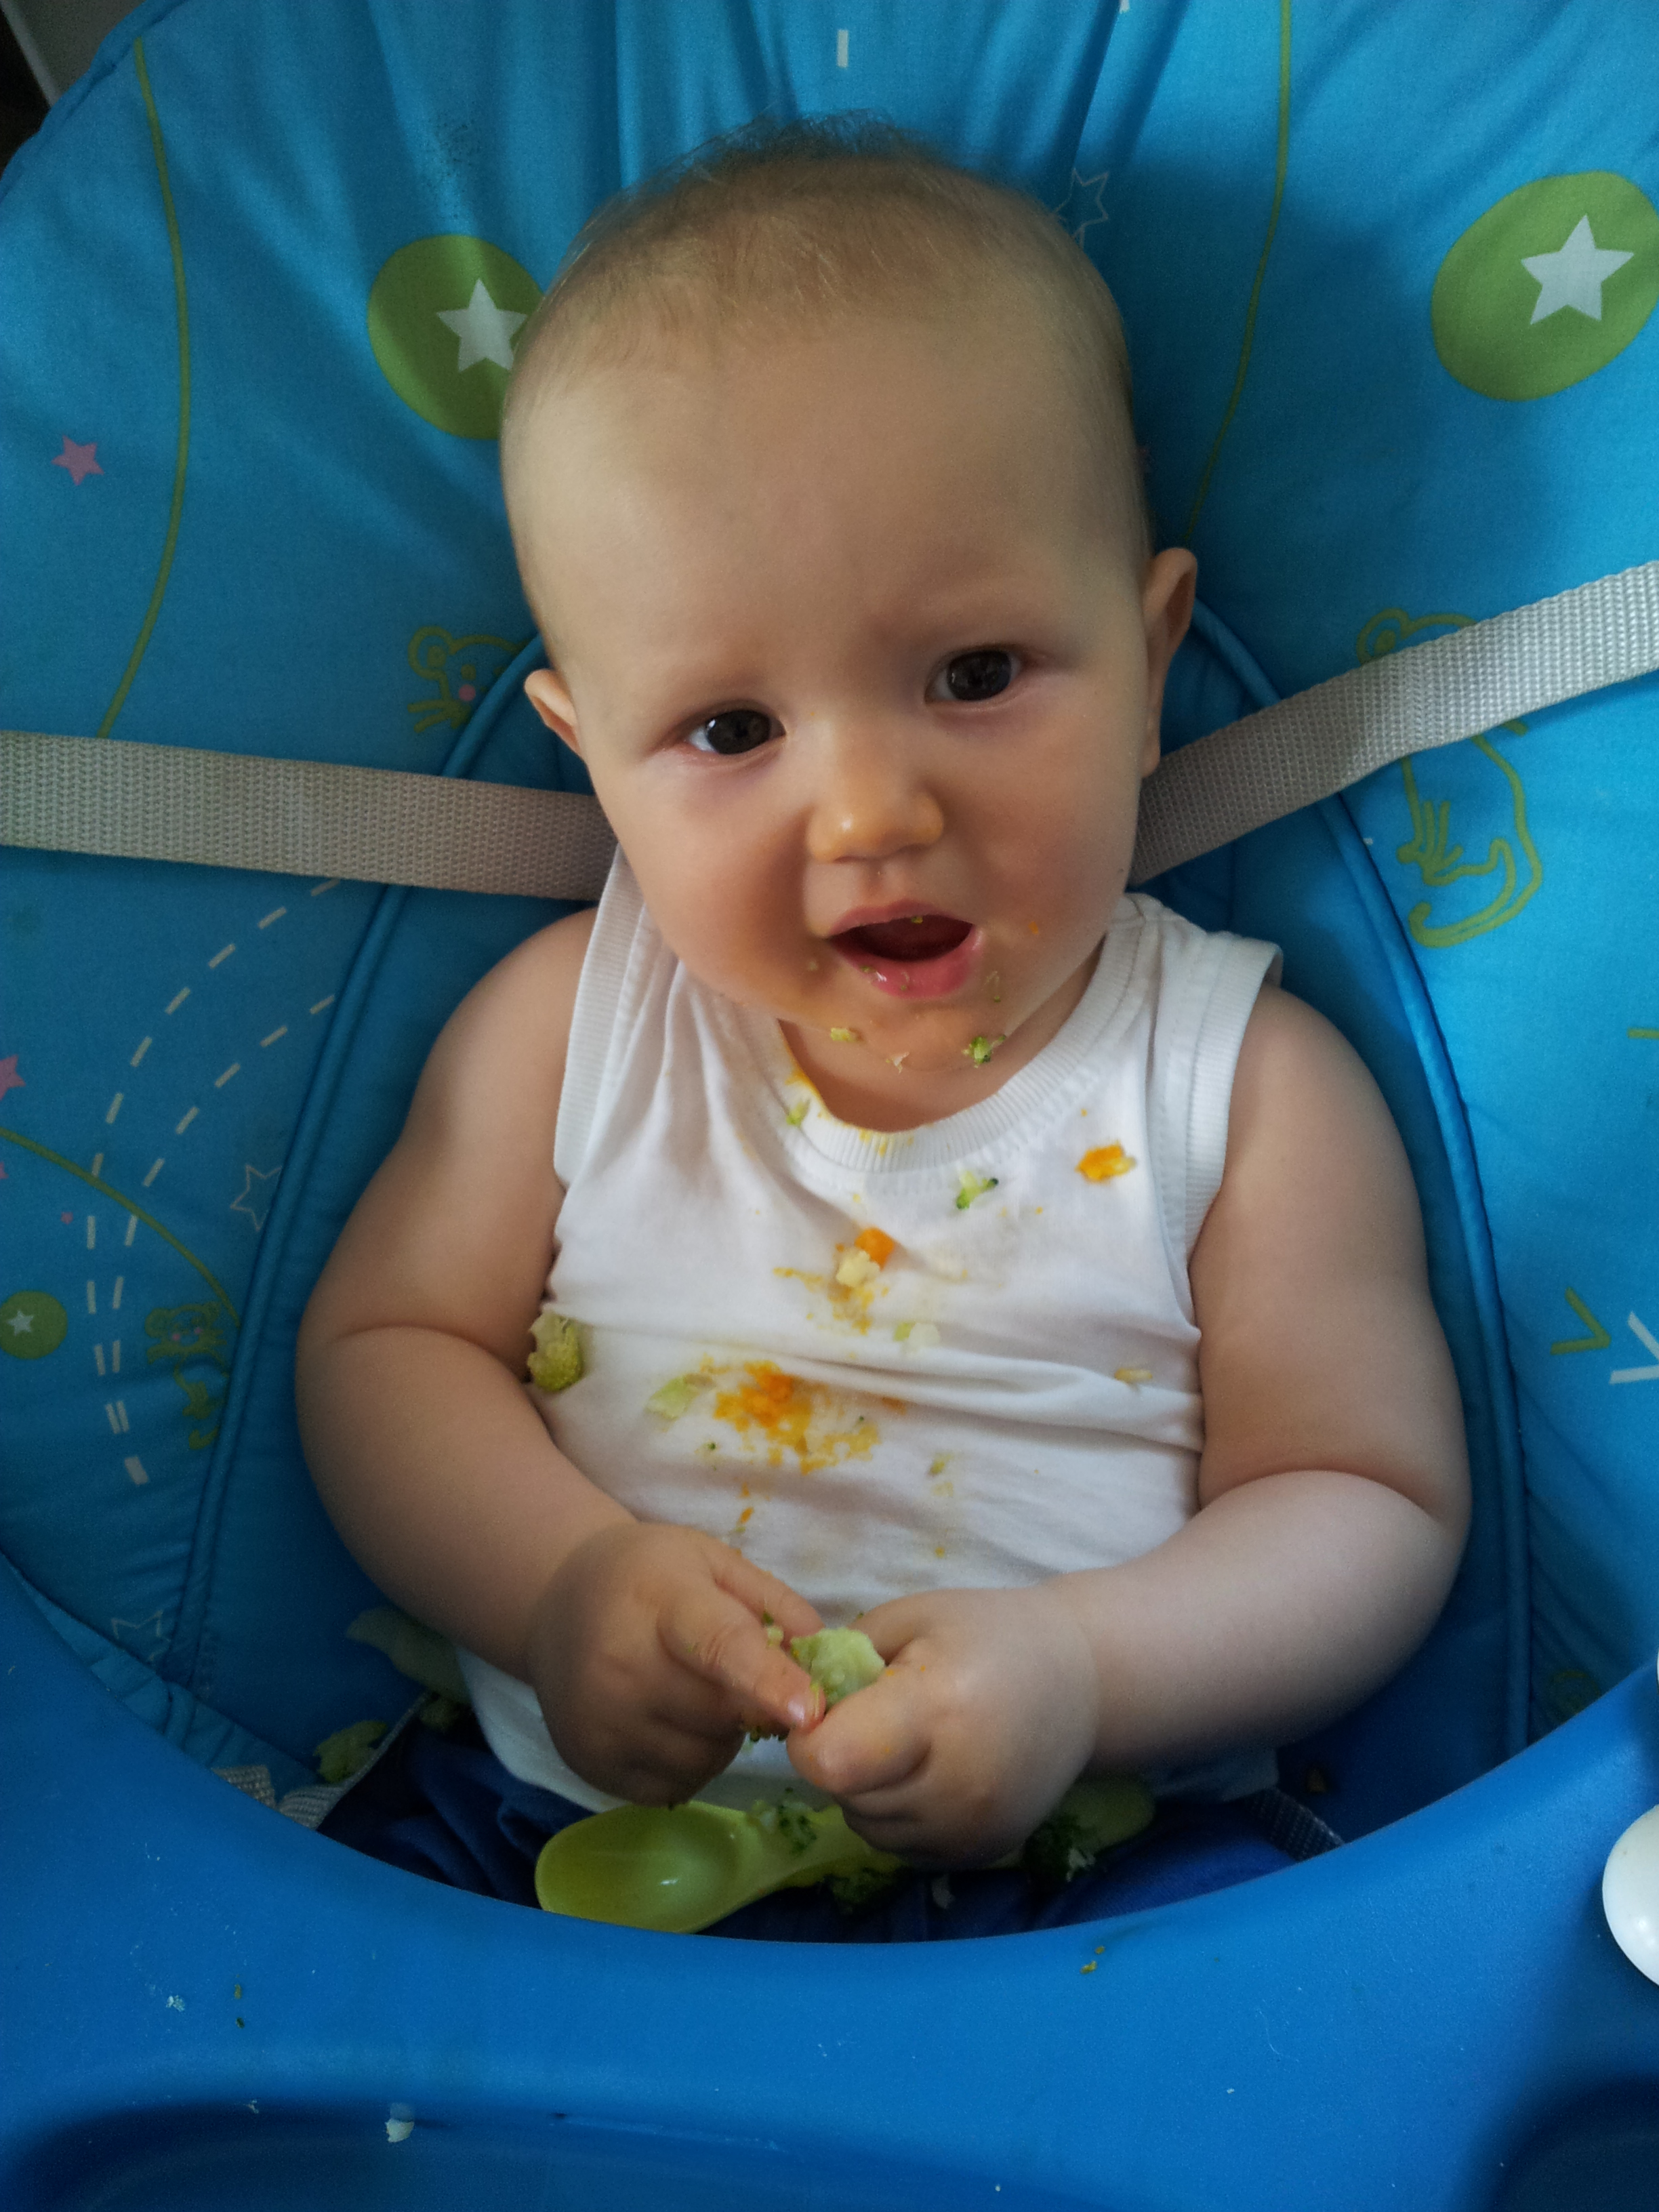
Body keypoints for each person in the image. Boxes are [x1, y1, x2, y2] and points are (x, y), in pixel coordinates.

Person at [295, 119, 1469, 1925]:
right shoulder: (568, 1033)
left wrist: (1086, 1672)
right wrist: (556, 1586)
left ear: (1153, 664)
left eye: (976, 675)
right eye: (731, 731)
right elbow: (385, 1353)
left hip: (1091, 1876)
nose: (868, 813)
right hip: (540, 1845)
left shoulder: (1246, 1094)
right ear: (591, 758)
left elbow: (1367, 1499)